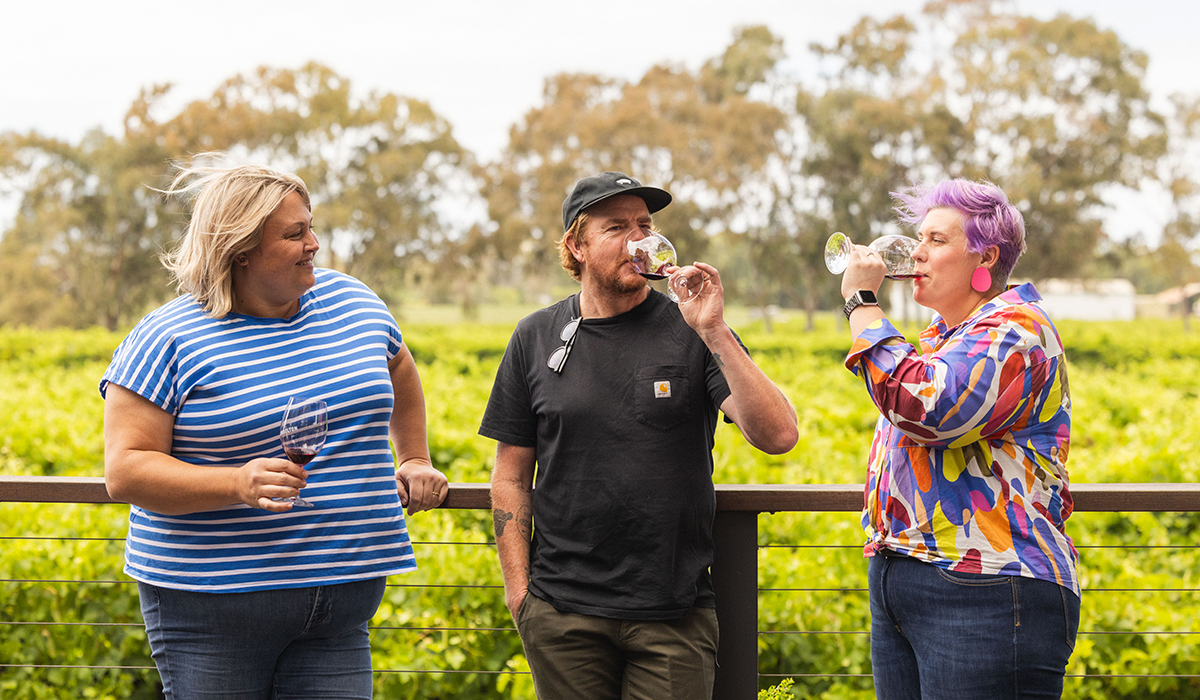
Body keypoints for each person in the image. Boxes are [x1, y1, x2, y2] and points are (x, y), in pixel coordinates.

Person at [100, 159, 448, 699]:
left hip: (341, 604)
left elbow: (399, 367)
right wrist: (236, 484)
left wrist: (415, 459)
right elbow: (126, 472)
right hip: (213, 612)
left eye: (311, 226)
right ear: (240, 251)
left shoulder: (354, 303)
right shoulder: (166, 337)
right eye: (295, 233)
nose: (315, 243)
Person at [480, 171, 799, 699]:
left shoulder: (693, 330)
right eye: (616, 228)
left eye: (644, 225)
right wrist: (521, 594)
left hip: (674, 614)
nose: (640, 241)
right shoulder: (534, 336)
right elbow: (510, 475)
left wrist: (715, 330)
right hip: (562, 615)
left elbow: (778, 435)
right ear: (576, 246)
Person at [839, 179, 1079, 699]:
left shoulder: (1015, 329)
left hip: (989, 589)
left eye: (937, 241)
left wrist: (861, 303)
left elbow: (926, 408)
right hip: (906, 579)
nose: (916, 252)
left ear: (985, 257)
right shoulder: (942, 337)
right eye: (918, 236)